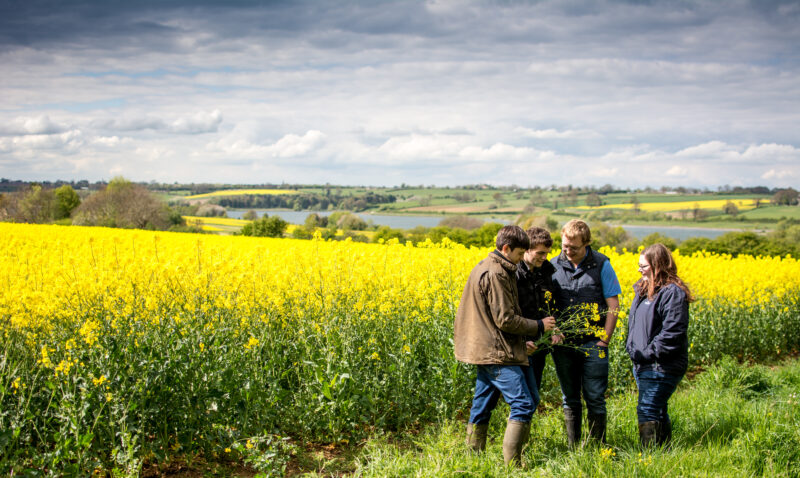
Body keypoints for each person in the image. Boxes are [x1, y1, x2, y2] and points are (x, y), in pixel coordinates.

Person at [454, 225, 556, 466]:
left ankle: (473, 459)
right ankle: (514, 465)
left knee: (483, 403)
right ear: (506, 248)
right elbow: (505, 319)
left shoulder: (490, 266)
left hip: (489, 347)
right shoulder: (496, 273)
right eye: (521, 253)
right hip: (495, 350)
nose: (522, 259)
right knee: (523, 403)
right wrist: (539, 326)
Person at [550, 219, 621, 447]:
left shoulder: (602, 264)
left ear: (587, 243)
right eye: (564, 246)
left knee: (595, 398)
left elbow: (613, 305)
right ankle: (574, 448)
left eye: (574, 247)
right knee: (569, 398)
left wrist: (604, 340)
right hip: (564, 346)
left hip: (595, 343)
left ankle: (597, 447)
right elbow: (546, 303)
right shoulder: (553, 265)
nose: (568, 251)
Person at [626, 243, 693, 447]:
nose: (639, 270)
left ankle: (650, 456)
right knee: (658, 408)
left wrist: (647, 353)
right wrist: (632, 348)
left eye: (643, 266)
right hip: (644, 363)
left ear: (658, 265)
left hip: (662, 365)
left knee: (648, 408)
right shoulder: (643, 289)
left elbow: (672, 332)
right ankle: (664, 451)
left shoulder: (672, 293)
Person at [515, 227, 561, 397]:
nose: (544, 257)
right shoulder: (514, 273)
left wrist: (555, 328)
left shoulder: (546, 271)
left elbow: (549, 305)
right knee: (523, 399)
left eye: (547, 253)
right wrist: (521, 342)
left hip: (539, 344)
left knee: (533, 396)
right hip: (519, 346)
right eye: (540, 253)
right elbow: (508, 313)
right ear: (526, 249)